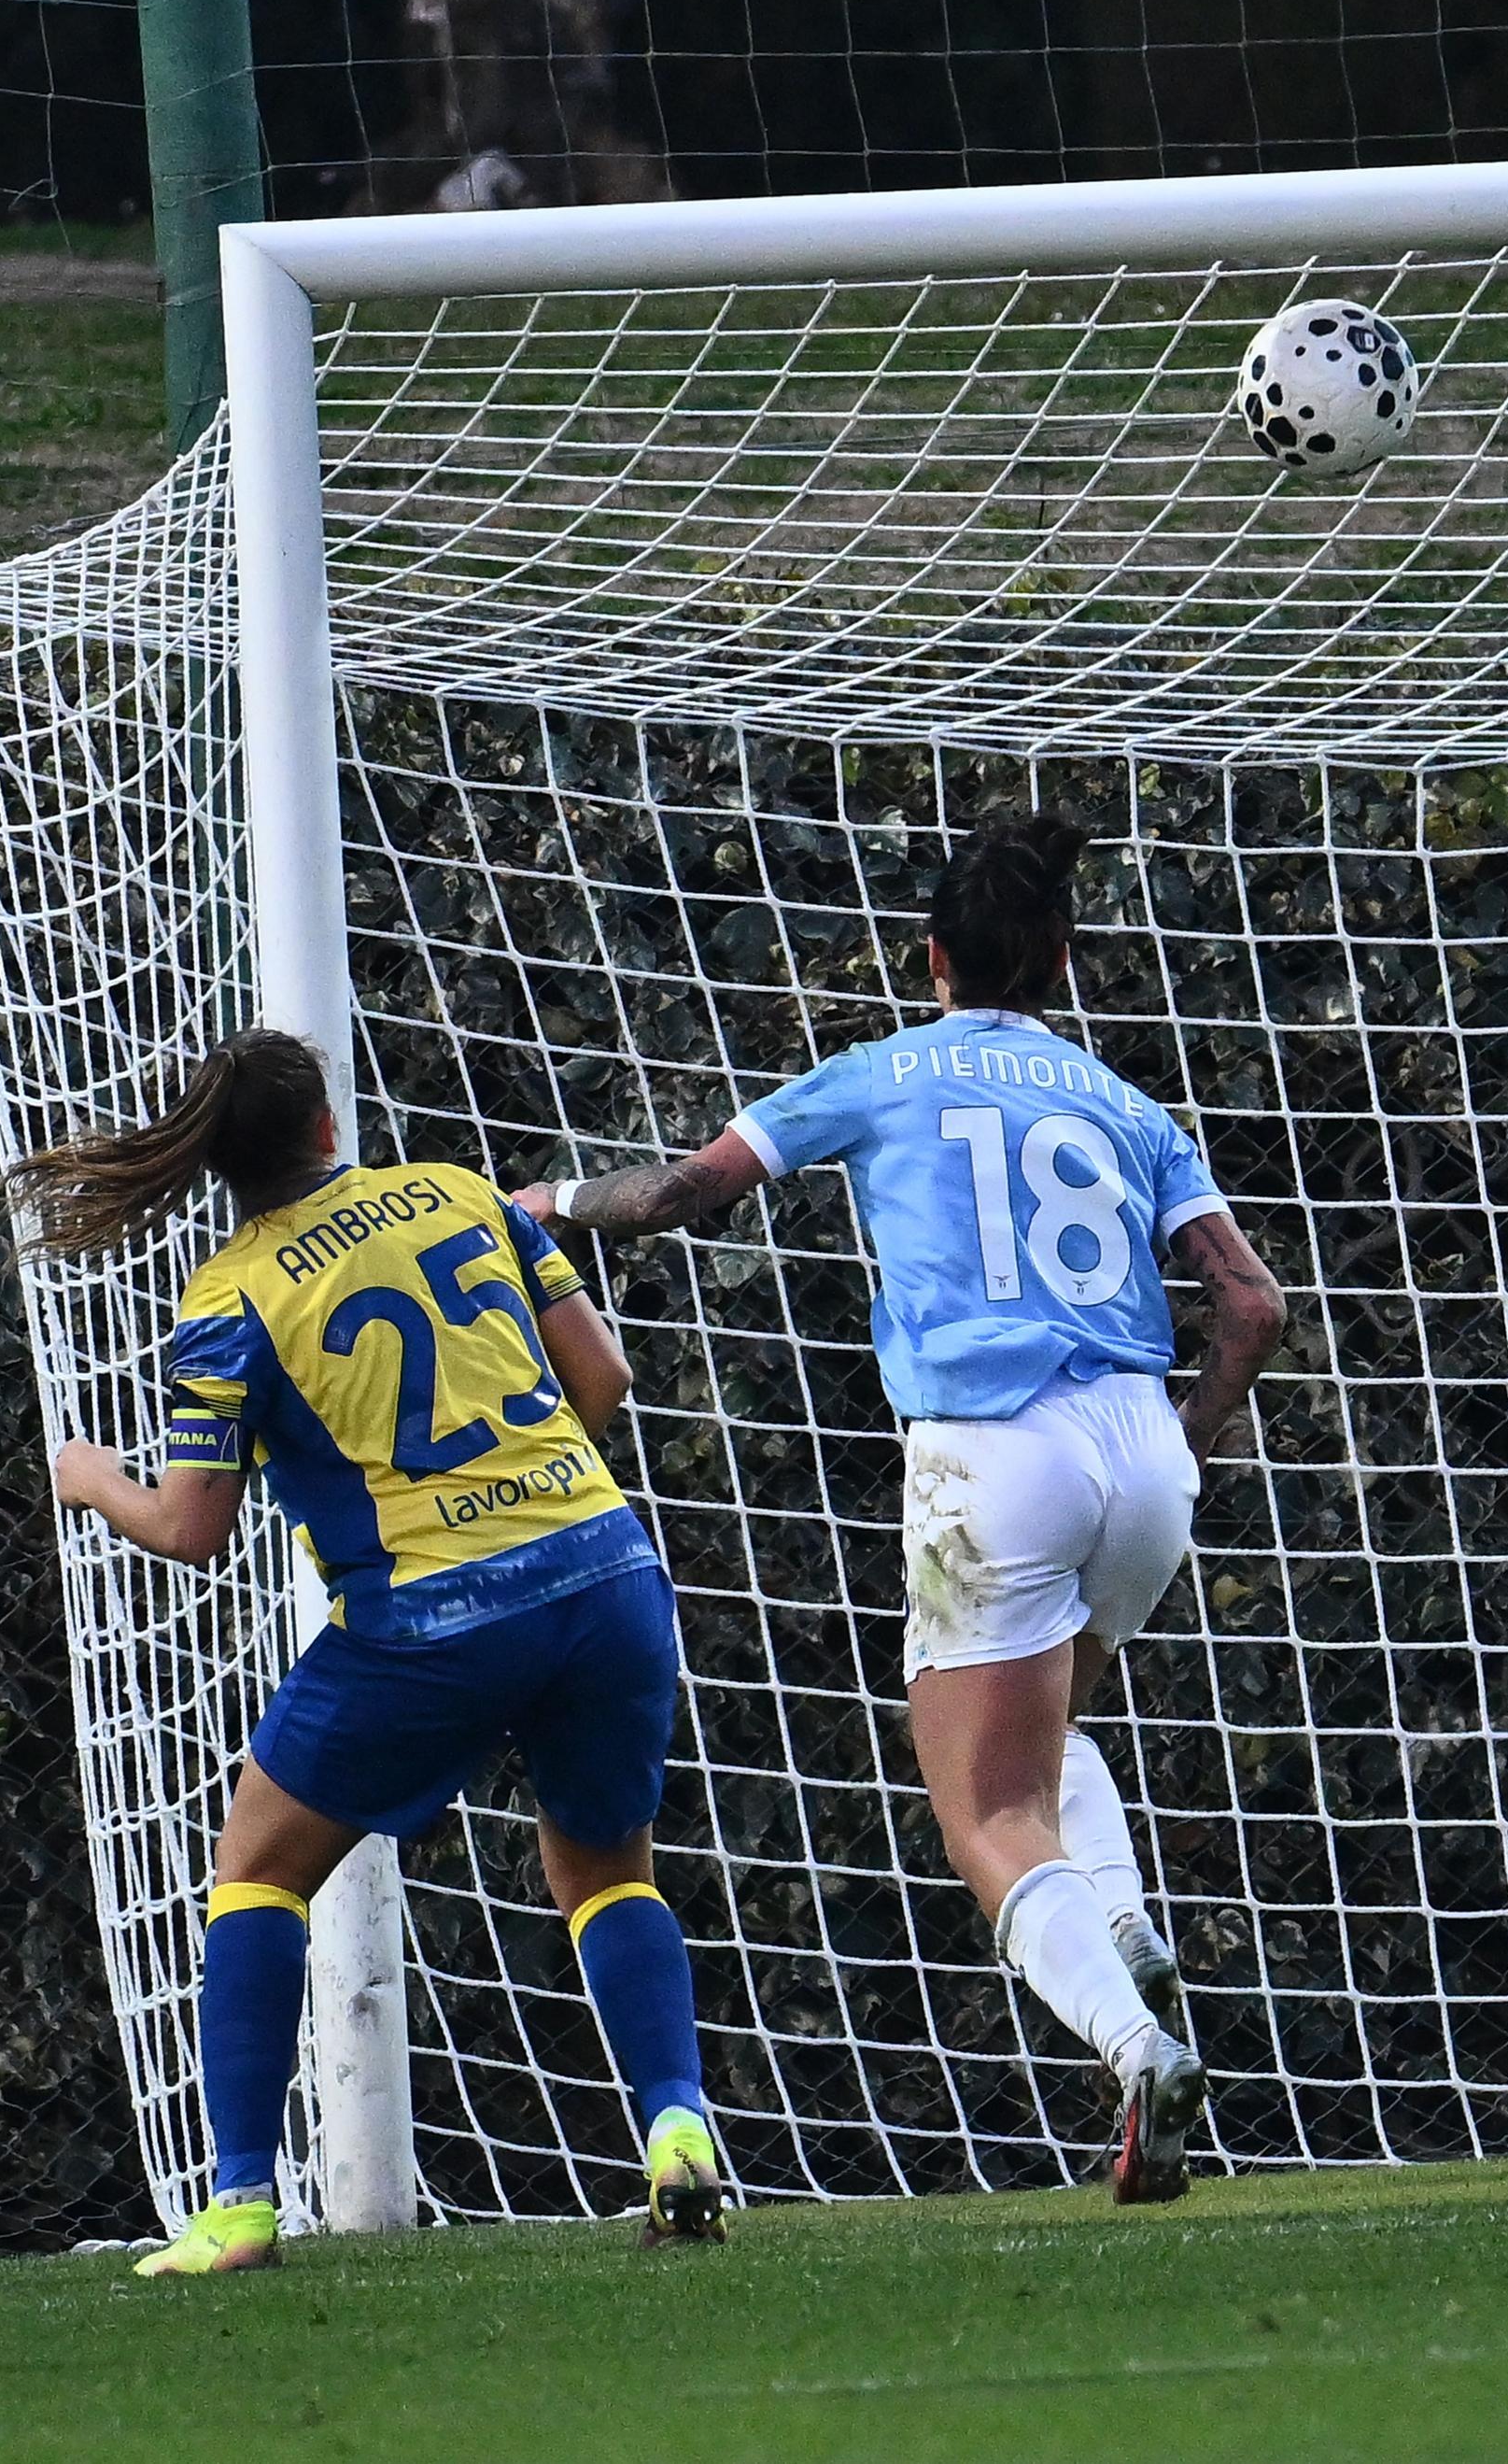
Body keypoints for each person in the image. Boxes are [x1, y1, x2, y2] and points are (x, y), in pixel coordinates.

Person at [520, 813, 1285, 2203]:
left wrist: (553, 1203)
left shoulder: (880, 1070)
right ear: (1058, 957)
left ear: (928, 955)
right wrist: (1182, 1442)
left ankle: (1132, 2038)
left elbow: (689, 1188)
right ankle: (1120, 1919)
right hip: (1139, 1446)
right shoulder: (1121, 1101)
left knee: (983, 1814)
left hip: (993, 1452)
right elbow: (1249, 1304)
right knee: (1047, 1747)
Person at [21, 1029, 723, 2274]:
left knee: (253, 1866)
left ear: (218, 1164)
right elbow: (603, 1379)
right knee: (606, 1865)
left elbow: (189, 1529)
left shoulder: (230, 1297)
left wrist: (92, 1481)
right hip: (602, 1573)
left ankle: (239, 2204)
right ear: (330, 1125)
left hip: (429, 1621)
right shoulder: (459, 1191)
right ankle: (677, 2122)